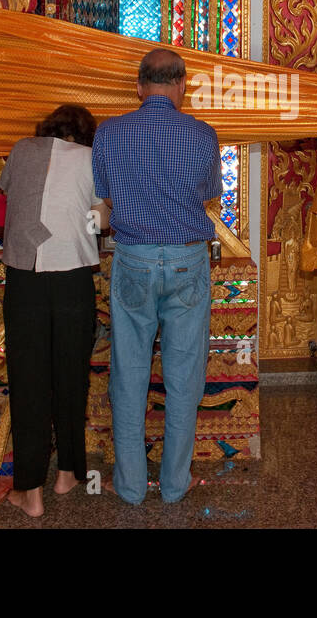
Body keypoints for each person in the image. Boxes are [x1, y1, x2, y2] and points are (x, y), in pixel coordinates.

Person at [92, 48, 221, 505]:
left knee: (129, 374)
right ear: (183, 85)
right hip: (187, 261)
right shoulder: (203, 135)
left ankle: (129, 489)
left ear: (140, 87)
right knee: (184, 376)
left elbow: (105, 198)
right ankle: (173, 486)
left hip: (133, 259)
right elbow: (209, 193)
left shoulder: (108, 134)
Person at [0, 104, 108, 518]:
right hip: (74, 278)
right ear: (85, 133)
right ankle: (67, 472)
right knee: (70, 375)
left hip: (25, 277)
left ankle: (30, 490)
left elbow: (9, 192)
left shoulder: (21, 149)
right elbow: (101, 218)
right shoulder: (92, 157)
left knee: (29, 382)